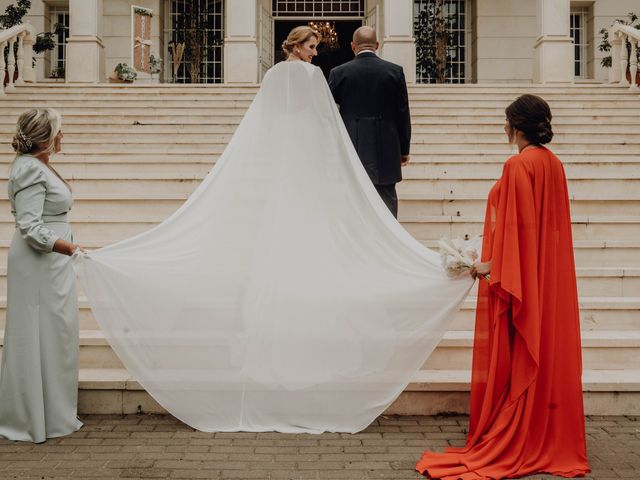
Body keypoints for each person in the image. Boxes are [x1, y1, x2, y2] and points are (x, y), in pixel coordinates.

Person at [72, 27, 474, 434]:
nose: (317, 54)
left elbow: (268, 123)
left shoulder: (273, 77)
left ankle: (267, 353)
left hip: (280, 171)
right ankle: (313, 353)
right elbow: (325, 123)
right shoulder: (313, 76)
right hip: (311, 168)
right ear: (297, 46)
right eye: (313, 47)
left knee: (277, 252)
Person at [416, 95, 591, 478]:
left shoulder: (517, 166)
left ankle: (521, 433)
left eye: (506, 121)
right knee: (543, 347)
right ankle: (546, 433)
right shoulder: (553, 164)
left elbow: (518, 231)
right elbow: (547, 230)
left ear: (516, 125)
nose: (504, 127)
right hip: (546, 275)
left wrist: (486, 266)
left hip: (523, 278)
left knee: (520, 351)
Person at [0, 109, 84, 443]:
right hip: (39, 265)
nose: (63, 137)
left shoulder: (38, 165)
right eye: (59, 131)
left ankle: (54, 411)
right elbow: (31, 228)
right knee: (39, 334)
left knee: (56, 335)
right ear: (43, 137)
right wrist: (70, 248)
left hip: (51, 266)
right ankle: (31, 417)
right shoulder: (28, 170)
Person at [328, 26, 411, 218]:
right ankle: (389, 242)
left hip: (352, 144)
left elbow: (329, 112)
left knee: (353, 196)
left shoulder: (338, 73)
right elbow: (402, 112)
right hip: (387, 145)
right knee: (386, 197)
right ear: (377, 45)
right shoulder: (394, 71)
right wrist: (404, 149)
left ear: (352, 46)